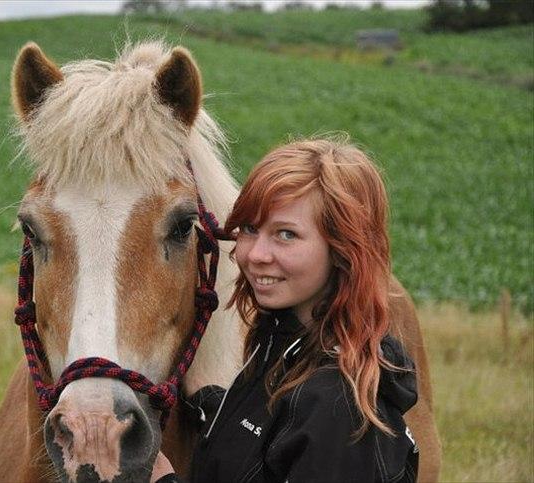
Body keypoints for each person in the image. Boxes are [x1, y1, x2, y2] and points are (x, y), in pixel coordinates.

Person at [152, 137, 419, 482]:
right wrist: (211, 403)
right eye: (250, 228)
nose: (256, 254)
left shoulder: (340, 413)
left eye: (286, 235)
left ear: (343, 250)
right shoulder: (280, 348)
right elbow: (271, 440)